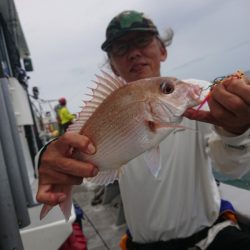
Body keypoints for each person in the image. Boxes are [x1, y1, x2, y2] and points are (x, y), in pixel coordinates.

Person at [36, 10, 250, 250]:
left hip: (209, 238)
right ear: (113, 67)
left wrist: (238, 130)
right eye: (120, 48)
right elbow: (68, 142)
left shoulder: (197, 92)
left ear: (162, 50)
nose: (134, 52)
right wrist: (45, 156)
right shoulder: (107, 105)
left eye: (142, 40)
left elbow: (232, 167)